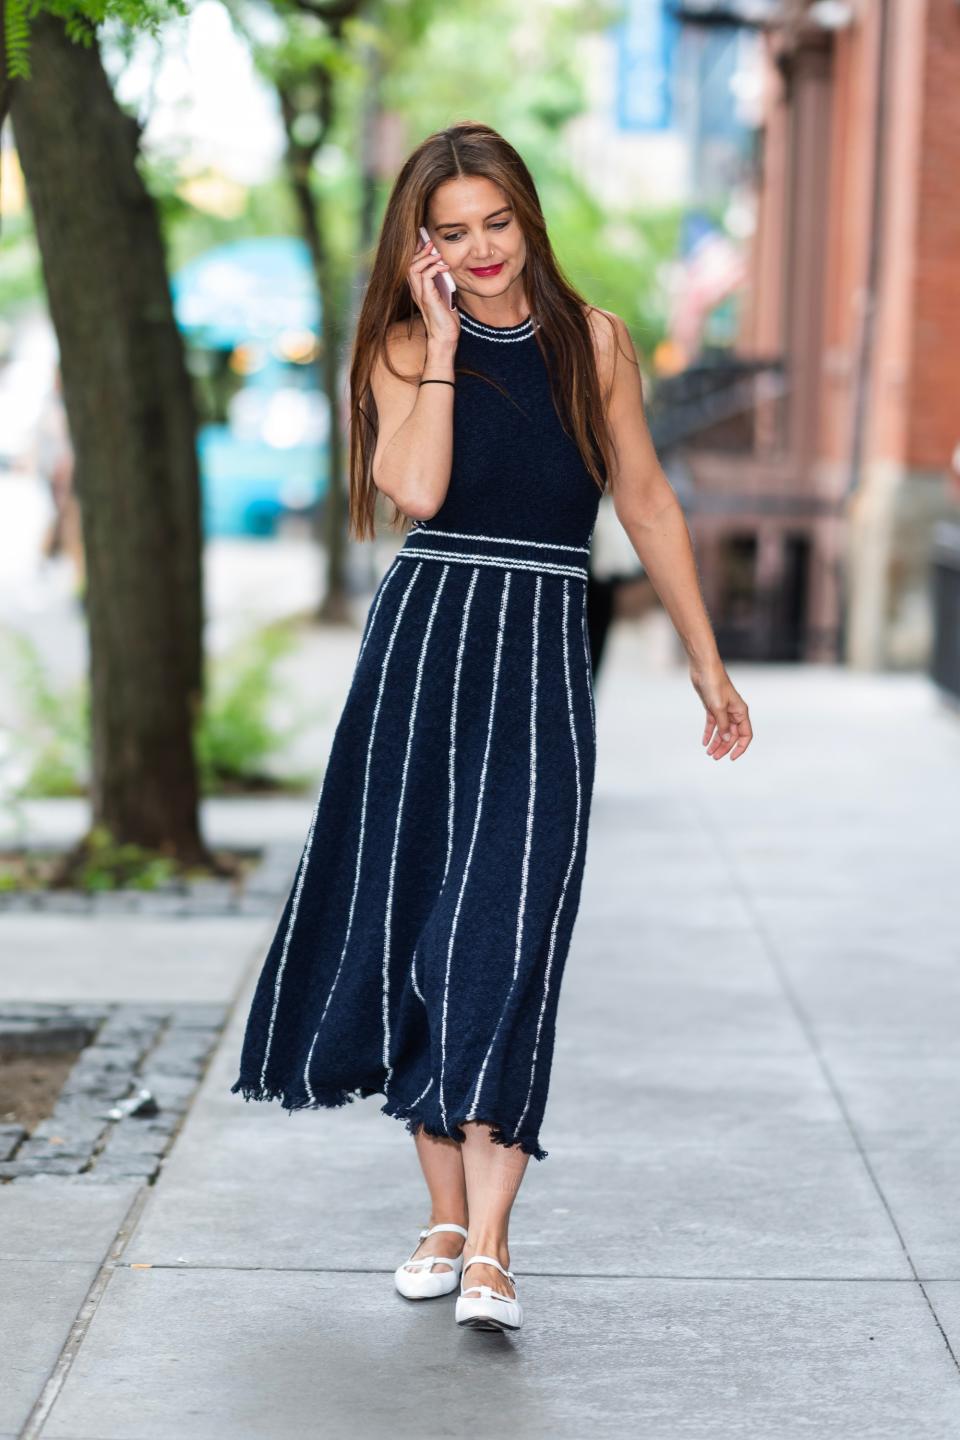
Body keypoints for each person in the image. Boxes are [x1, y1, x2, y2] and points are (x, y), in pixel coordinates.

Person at [231, 121, 753, 1334]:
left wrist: (705, 662)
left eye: (496, 225)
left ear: (527, 217)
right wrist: (452, 342)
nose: (481, 250)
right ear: (423, 244)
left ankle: (494, 1247)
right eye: (453, 234)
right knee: (420, 928)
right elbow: (414, 491)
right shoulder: (402, 349)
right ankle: (444, 1220)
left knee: (509, 933)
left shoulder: (598, 345)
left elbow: (649, 503)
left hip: (538, 655)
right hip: (423, 656)